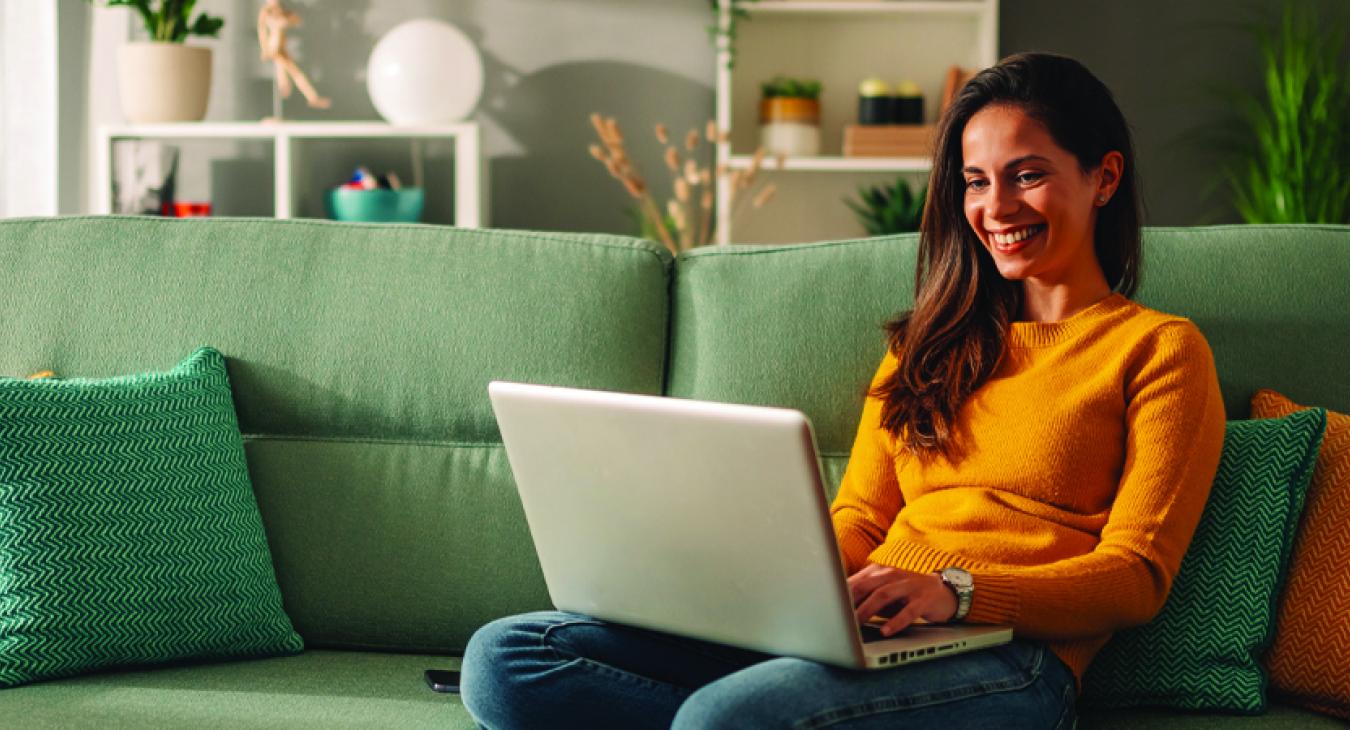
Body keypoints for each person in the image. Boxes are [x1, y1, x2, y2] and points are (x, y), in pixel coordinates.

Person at [458, 52, 1226, 729]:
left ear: (1104, 178)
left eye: (1028, 175)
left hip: (1016, 664)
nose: (996, 209)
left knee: (728, 718)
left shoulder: (1159, 350)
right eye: (976, 182)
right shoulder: (927, 347)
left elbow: (1136, 579)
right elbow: (860, 516)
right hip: (870, 627)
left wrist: (953, 592)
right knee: (509, 659)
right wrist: (763, 586)